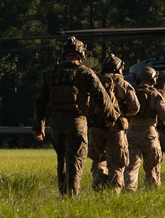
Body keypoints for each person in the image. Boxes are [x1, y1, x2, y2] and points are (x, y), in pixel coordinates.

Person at [33, 37, 118, 197]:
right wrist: (111, 116)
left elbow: (40, 101)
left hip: (57, 125)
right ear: (81, 53)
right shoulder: (85, 73)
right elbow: (101, 96)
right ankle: (71, 197)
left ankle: (63, 194)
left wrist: (39, 126)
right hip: (77, 122)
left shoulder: (51, 74)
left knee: (62, 160)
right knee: (76, 161)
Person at [89, 54, 139, 191]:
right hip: (116, 129)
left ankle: (99, 183)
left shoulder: (95, 82)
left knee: (99, 160)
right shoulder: (123, 84)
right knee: (117, 163)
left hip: (96, 127)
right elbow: (135, 107)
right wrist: (122, 114)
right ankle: (114, 192)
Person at [126, 66, 165, 190]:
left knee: (131, 166)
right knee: (153, 168)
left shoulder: (132, 91)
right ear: (153, 80)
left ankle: (129, 190)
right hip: (149, 134)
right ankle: (152, 192)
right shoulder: (155, 94)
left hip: (131, 133)